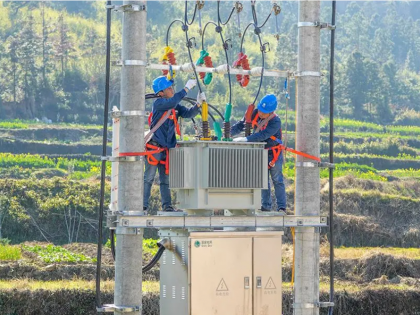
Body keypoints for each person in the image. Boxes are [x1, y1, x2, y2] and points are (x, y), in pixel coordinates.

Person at [143, 76, 204, 212]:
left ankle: (167, 206)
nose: (172, 89)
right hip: (155, 147)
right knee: (149, 178)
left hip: (166, 149)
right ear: (161, 93)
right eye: (169, 88)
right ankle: (143, 205)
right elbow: (174, 101)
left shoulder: (174, 105)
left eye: (171, 87)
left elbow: (188, 114)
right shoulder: (159, 104)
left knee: (165, 180)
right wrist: (186, 89)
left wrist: (198, 105)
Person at [231, 94, 287, 214]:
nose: (261, 113)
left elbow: (263, 135)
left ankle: (282, 207)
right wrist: (228, 134)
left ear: (271, 112)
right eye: (260, 110)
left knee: (277, 180)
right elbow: (241, 124)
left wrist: (246, 139)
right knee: (263, 180)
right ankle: (265, 206)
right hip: (261, 152)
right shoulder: (255, 112)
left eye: (264, 112)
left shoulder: (275, 121)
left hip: (274, 153)